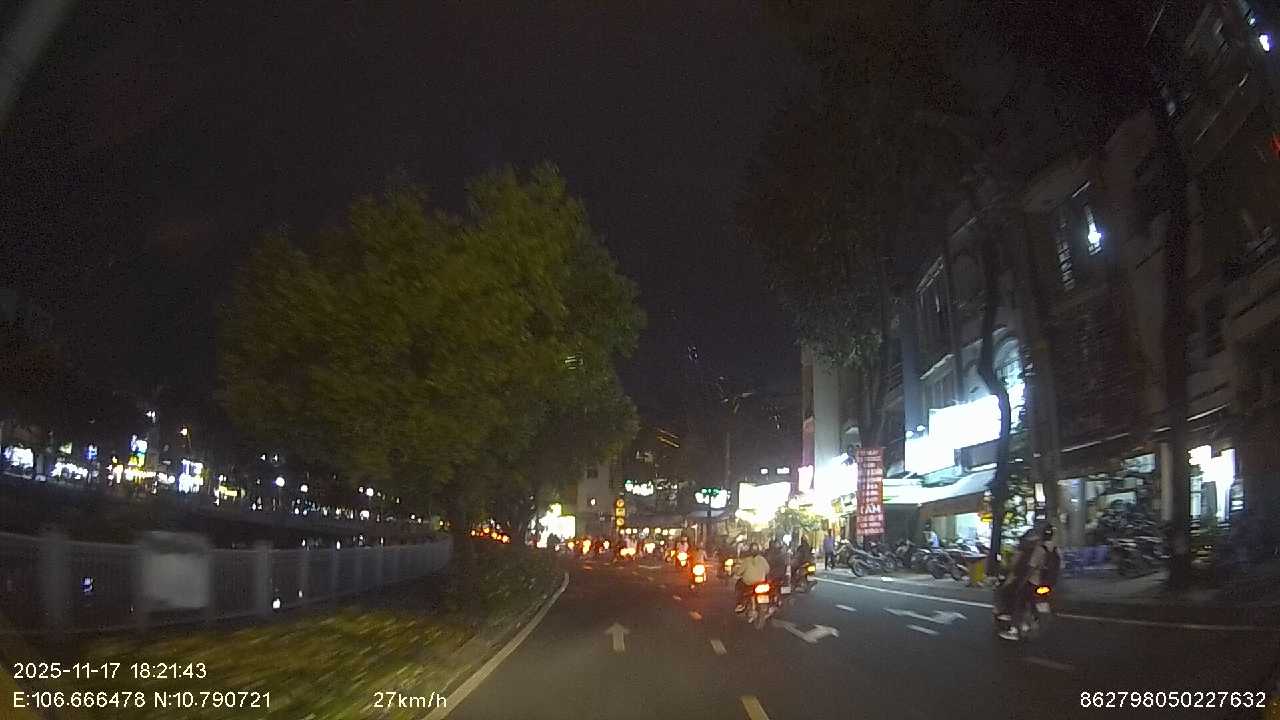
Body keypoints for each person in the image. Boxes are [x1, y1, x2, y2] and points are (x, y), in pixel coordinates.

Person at [732, 543, 770, 612]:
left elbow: (739, 572)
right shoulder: (763, 559)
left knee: (739, 586)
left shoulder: (746, 560)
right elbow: (767, 570)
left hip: (749, 584)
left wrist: (736, 572)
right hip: (761, 583)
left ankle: (741, 604)